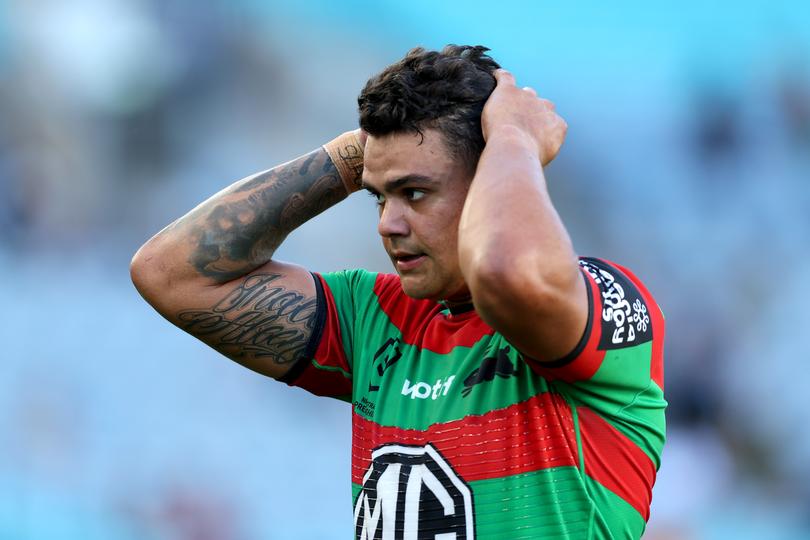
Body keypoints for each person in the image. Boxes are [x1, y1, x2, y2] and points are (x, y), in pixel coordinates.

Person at [131, 45, 666, 539]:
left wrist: (514, 138)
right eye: (379, 198)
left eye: (415, 193)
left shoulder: (602, 300)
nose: (388, 223)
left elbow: (507, 273)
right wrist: (358, 152)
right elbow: (170, 273)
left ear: (490, 177)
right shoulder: (375, 318)